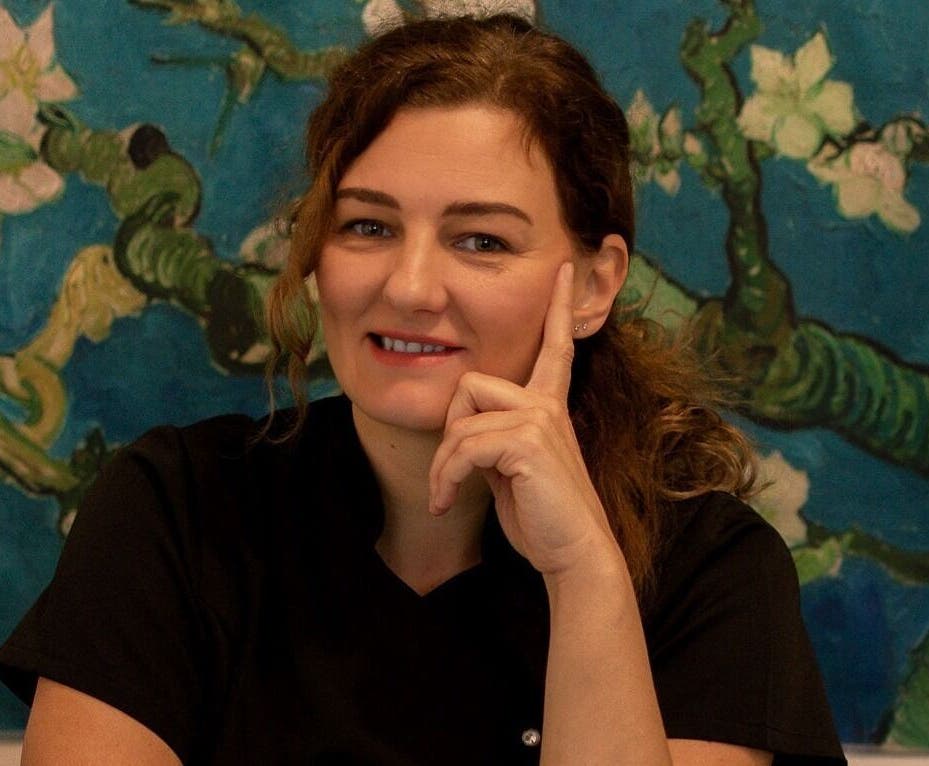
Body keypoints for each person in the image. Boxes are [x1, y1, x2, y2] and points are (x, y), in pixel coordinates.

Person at [0, 13, 845, 766]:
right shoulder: (175, 512)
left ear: (593, 284)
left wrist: (584, 574)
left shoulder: (711, 567)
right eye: (367, 226)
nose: (408, 287)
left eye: (480, 241)